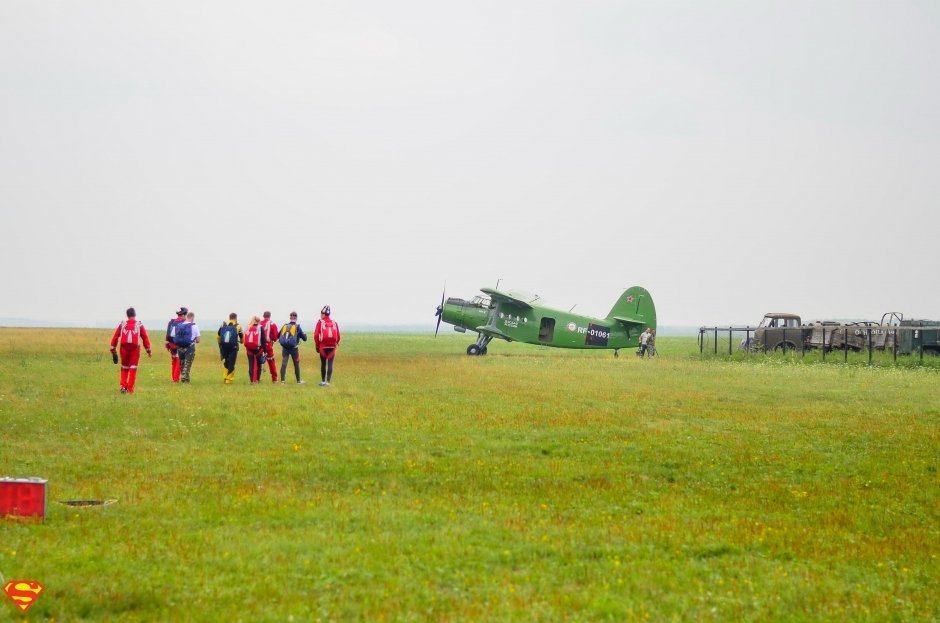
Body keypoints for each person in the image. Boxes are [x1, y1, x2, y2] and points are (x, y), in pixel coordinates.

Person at [109, 307, 152, 394]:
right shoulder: (139, 325)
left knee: (124, 367)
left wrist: (113, 347)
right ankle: (130, 389)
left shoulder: (123, 324)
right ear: (134, 315)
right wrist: (148, 350)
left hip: (123, 349)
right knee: (133, 368)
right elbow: (145, 338)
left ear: (127, 315)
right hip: (135, 350)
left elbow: (116, 336)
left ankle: (123, 387)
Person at [313, 305, 341, 387]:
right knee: (330, 363)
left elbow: (315, 335)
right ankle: (328, 382)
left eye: (321, 314)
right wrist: (336, 343)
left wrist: (317, 345)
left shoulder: (320, 322)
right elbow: (338, 336)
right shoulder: (334, 323)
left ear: (323, 314)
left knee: (323, 363)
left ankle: (323, 381)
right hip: (332, 347)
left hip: (323, 346)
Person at [278, 311, 307, 384]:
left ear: (290, 317)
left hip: (285, 348)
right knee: (296, 364)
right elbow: (304, 339)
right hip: (294, 348)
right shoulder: (297, 327)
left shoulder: (285, 326)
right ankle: (298, 381)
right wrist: (304, 335)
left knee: (284, 363)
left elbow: (278, 335)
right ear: (296, 318)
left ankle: (282, 381)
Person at [173, 310, 201, 383]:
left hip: (179, 346)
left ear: (186, 317)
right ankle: (184, 377)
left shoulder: (179, 325)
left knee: (182, 363)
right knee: (187, 363)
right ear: (192, 318)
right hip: (190, 347)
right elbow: (198, 340)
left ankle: (186, 380)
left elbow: (174, 336)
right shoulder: (194, 326)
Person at [217, 313, 243, 384]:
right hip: (233, 347)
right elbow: (241, 338)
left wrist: (220, 344)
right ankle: (229, 379)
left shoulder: (223, 325)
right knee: (232, 362)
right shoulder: (238, 326)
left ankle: (225, 377)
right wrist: (241, 342)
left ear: (229, 318)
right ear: (236, 318)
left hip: (224, 346)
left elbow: (218, 336)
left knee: (226, 362)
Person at [164, 307, 187, 383]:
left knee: (174, 360)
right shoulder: (183, 322)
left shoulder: (172, 322)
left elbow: (167, 333)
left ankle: (173, 377)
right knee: (178, 361)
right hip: (178, 344)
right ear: (183, 314)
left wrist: (167, 344)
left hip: (171, 344)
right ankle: (176, 379)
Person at [243, 315, 267, 384]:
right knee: (259, 365)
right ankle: (257, 380)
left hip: (249, 349)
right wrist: (265, 351)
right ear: (258, 321)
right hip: (258, 349)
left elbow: (243, 334)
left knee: (251, 364)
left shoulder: (247, 327)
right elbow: (263, 340)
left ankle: (251, 381)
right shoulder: (260, 327)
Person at [259, 311, 279, 383]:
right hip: (268, 346)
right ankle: (274, 379)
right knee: (271, 362)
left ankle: (256, 378)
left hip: (259, 346)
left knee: (258, 362)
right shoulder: (272, 324)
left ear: (263, 316)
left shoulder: (259, 323)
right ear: (270, 316)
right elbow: (275, 337)